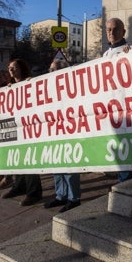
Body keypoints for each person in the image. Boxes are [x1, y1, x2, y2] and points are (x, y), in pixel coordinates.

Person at [0, 59, 43, 206]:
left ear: (22, 69)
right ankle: (19, 186)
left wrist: (32, 84)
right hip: (16, 128)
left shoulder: (30, 82)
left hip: (30, 128)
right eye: (9, 67)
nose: (11, 70)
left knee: (30, 160)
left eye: (14, 67)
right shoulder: (10, 87)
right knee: (18, 158)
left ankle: (34, 192)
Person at [44, 59, 82, 213]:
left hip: (68, 129)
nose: (51, 73)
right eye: (50, 70)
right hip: (53, 129)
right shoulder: (46, 86)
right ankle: (61, 195)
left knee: (69, 165)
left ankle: (74, 198)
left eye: (54, 70)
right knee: (56, 164)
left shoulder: (72, 85)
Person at [103, 17, 132, 183]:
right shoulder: (106, 54)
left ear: (123, 32)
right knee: (116, 141)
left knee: (125, 142)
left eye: (115, 29)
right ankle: (120, 174)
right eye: (108, 30)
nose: (111, 32)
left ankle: (125, 180)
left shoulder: (131, 50)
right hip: (111, 105)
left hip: (126, 105)